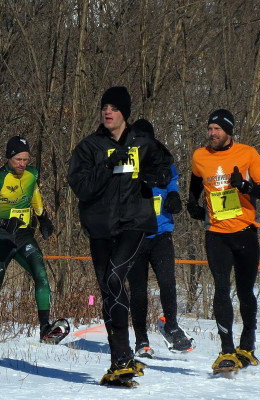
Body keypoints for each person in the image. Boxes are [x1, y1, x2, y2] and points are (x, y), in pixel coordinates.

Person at [68, 87, 172, 382]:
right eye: (104, 107)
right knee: (107, 289)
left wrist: (154, 178)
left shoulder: (142, 142)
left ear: (124, 112)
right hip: (100, 228)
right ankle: (120, 361)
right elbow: (82, 187)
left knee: (115, 278)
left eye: (114, 107)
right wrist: (107, 165)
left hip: (134, 223)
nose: (108, 111)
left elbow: (165, 167)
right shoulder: (89, 147)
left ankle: (125, 355)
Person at [186, 109, 260, 371]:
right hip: (216, 235)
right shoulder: (200, 156)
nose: (212, 133)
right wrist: (193, 204)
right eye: (209, 128)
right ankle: (227, 351)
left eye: (217, 129)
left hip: (245, 232)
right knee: (221, 288)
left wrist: (246, 187)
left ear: (228, 131)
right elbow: (194, 182)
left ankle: (247, 346)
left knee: (245, 291)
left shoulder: (247, 153)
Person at [0, 136, 56, 343]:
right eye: (18, 160)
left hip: (24, 236)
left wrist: (43, 218)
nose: (22, 164)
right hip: (1, 240)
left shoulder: (31, 174)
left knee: (41, 276)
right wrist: (0, 222)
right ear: (9, 158)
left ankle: (45, 330)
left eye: (25, 159)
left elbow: (34, 194)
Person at [127, 119, 192, 358]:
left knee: (167, 282)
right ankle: (141, 341)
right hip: (134, 236)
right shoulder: (127, 161)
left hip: (161, 232)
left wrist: (174, 195)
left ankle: (172, 327)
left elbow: (173, 180)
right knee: (139, 291)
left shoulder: (164, 158)